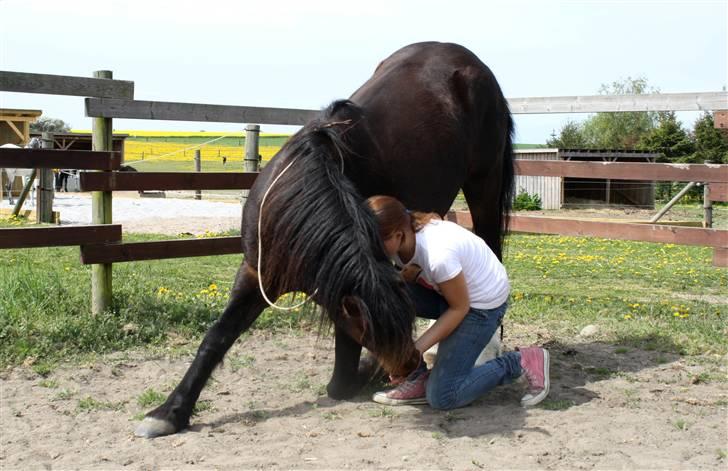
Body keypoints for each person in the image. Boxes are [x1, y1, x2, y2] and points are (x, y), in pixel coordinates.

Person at [366, 195, 549, 409]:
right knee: (380, 295)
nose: (370, 248)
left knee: (444, 396)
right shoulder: (402, 224)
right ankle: (417, 378)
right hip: (451, 293)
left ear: (398, 235)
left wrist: (415, 351)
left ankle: (521, 361)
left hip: (480, 307)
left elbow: (459, 308)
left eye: (375, 242)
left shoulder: (438, 256)